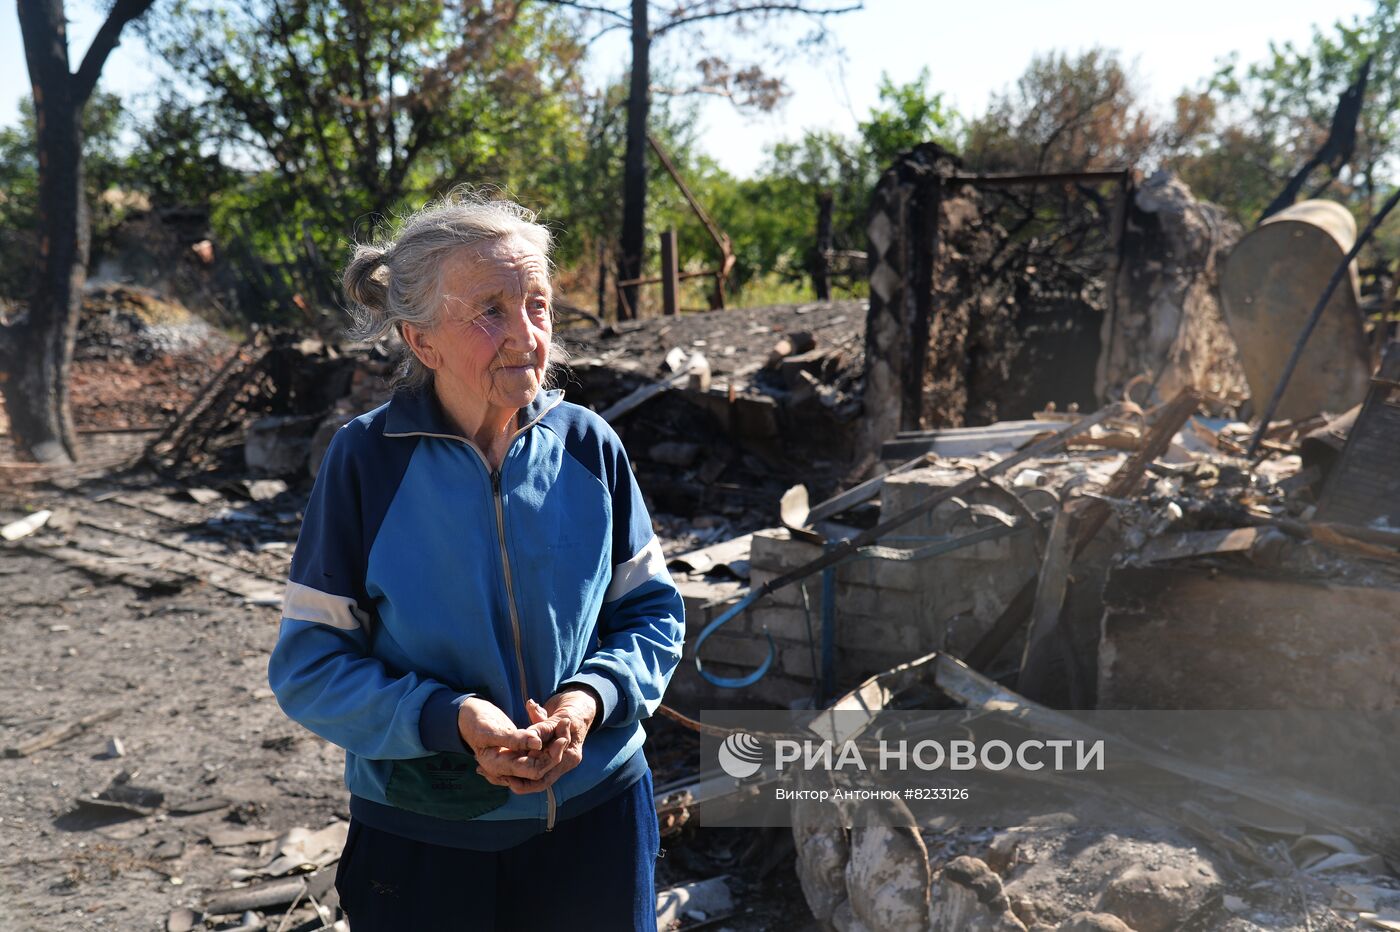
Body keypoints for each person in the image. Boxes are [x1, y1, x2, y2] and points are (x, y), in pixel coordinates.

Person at [267, 190, 686, 931]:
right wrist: (449, 718)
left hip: (598, 819)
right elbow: (309, 665)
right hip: (426, 839)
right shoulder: (366, 463)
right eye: (490, 310)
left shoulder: (589, 448)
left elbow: (650, 612)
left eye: (539, 305)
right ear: (420, 341)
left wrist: (589, 700)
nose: (526, 334)